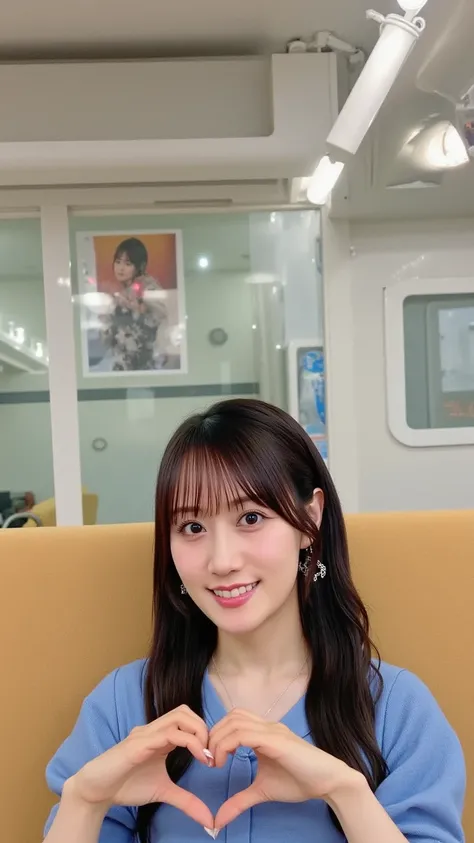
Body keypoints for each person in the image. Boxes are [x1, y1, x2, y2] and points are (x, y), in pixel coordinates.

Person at [43, 399, 466, 843]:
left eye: (251, 518)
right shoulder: (123, 704)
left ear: (310, 519)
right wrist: (85, 801)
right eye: (191, 527)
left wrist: (346, 792)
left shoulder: (397, 709)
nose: (222, 561)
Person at [100, 237, 168, 372]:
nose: (121, 268)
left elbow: (160, 317)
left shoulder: (148, 289)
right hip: (124, 361)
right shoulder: (122, 291)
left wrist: (138, 309)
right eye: (118, 262)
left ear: (140, 266)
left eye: (128, 264)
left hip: (145, 363)